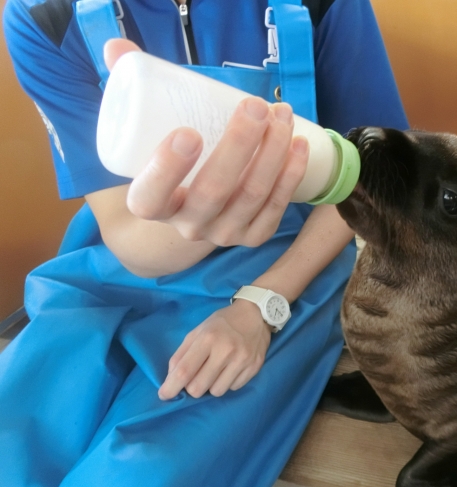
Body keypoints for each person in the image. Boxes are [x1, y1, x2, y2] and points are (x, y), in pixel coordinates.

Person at [0, 0, 408, 485]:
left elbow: (372, 171)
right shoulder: (43, 15)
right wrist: (194, 219)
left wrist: (262, 303)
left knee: (146, 471)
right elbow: (127, 234)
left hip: (292, 255)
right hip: (115, 259)